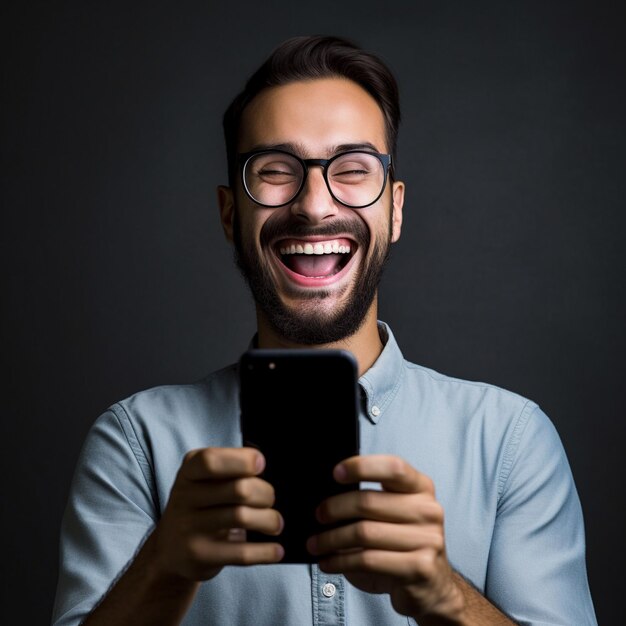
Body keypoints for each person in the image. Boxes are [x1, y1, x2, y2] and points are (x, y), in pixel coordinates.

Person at [51, 35, 597, 625]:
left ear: (395, 209)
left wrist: (446, 597)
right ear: (231, 213)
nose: (315, 205)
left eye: (353, 169)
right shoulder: (135, 445)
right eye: (276, 170)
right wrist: (163, 568)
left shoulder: (512, 444)